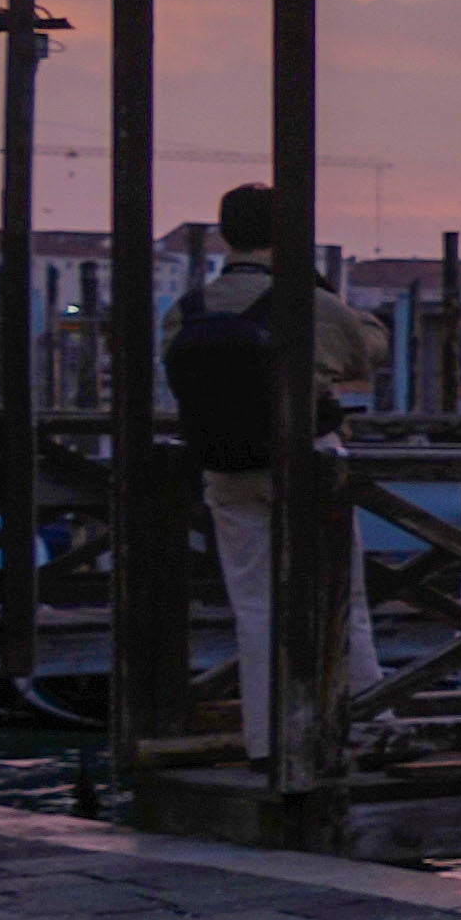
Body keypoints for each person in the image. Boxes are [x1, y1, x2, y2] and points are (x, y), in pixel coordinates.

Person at [166, 183, 385, 760]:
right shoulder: (303, 301)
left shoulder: (190, 307)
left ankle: (268, 742)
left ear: (225, 236)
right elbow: (368, 350)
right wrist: (322, 291)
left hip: (225, 471)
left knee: (256, 610)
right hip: (309, 464)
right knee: (342, 603)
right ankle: (363, 725)